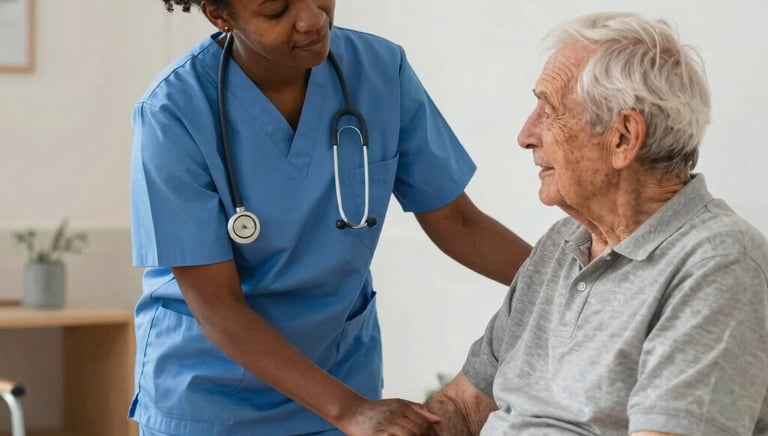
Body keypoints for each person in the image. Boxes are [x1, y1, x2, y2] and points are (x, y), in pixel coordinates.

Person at [128, 0, 532, 435]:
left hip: (342, 375)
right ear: (220, 16)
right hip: (213, 395)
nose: (313, 19)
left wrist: (567, 283)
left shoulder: (379, 71)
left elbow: (458, 221)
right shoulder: (173, 111)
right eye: (277, 10)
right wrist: (349, 410)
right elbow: (217, 306)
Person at [424, 11, 768, 436]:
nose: (526, 135)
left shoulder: (719, 264)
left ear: (623, 138)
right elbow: (463, 406)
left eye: (549, 110)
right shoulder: (562, 243)